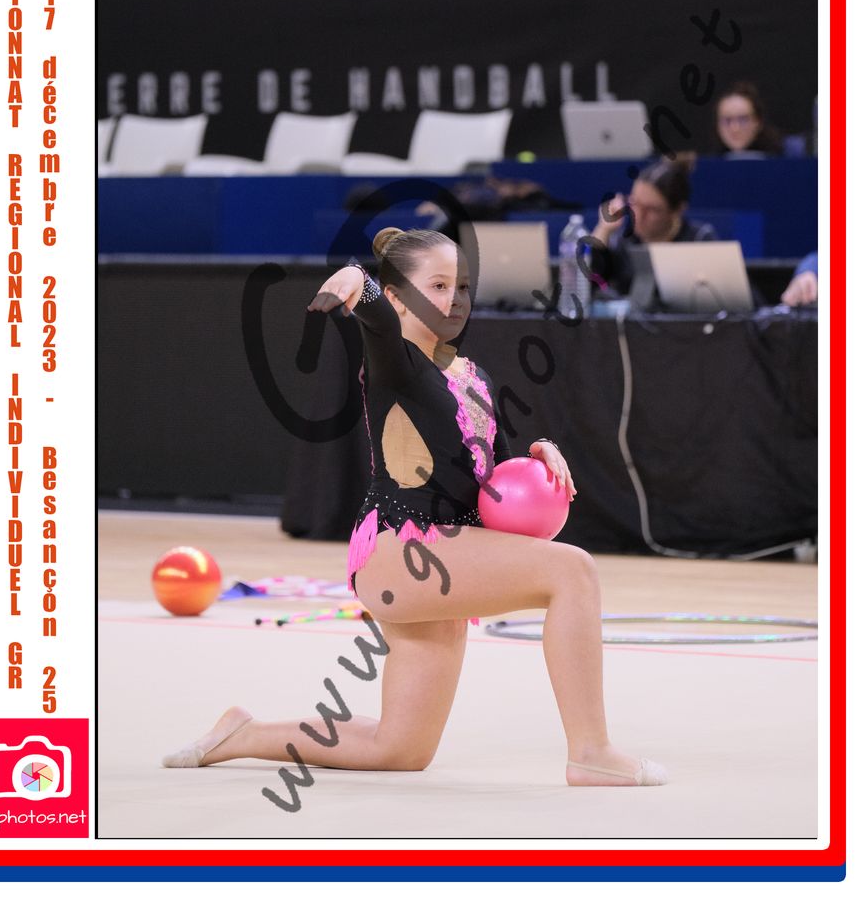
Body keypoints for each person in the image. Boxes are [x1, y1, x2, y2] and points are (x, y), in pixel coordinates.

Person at [162, 226, 667, 786]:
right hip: (403, 550)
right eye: (438, 286)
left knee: (400, 750)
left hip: (447, 558)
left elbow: (494, 478)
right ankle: (591, 751)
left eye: (461, 286)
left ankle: (243, 733)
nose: (455, 299)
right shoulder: (395, 361)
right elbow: (375, 320)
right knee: (573, 571)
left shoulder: (472, 375)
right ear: (398, 296)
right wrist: (356, 280)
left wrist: (538, 453)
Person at [589, 157, 716, 298]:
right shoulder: (623, 240)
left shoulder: (698, 240)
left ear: (677, 210)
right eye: (635, 202)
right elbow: (591, 285)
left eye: (651, 209)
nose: (638, 215)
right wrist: (603, 229)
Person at [713, 81, 783, 157]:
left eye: (743, 120)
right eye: (727, 120)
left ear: (758, 122)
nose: (735, 128)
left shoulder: (786, 154)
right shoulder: (709, 161)